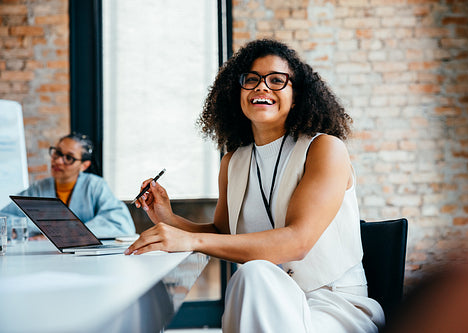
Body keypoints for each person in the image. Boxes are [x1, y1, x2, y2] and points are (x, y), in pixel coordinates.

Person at [126, 39, 385, 332]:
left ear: (296, 94)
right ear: (237, 93)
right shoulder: (233, 162)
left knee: (253, 274)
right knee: (253, 276)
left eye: (277, 80)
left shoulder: (325, 149)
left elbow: (297, 242)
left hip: (332, 305)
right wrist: (168, 219)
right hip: (264, 300)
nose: (262, 87)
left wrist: (189, 240)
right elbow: (223, 235)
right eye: (252, 80)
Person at [0, 132, 135, 239]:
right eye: (57, 153)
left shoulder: (95, 186)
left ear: (84, 165)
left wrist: (63, 234)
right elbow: (3, 221)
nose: (58, 161)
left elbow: (121, 224)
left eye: (69, 158)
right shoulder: (38, 188)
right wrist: (49, 232)